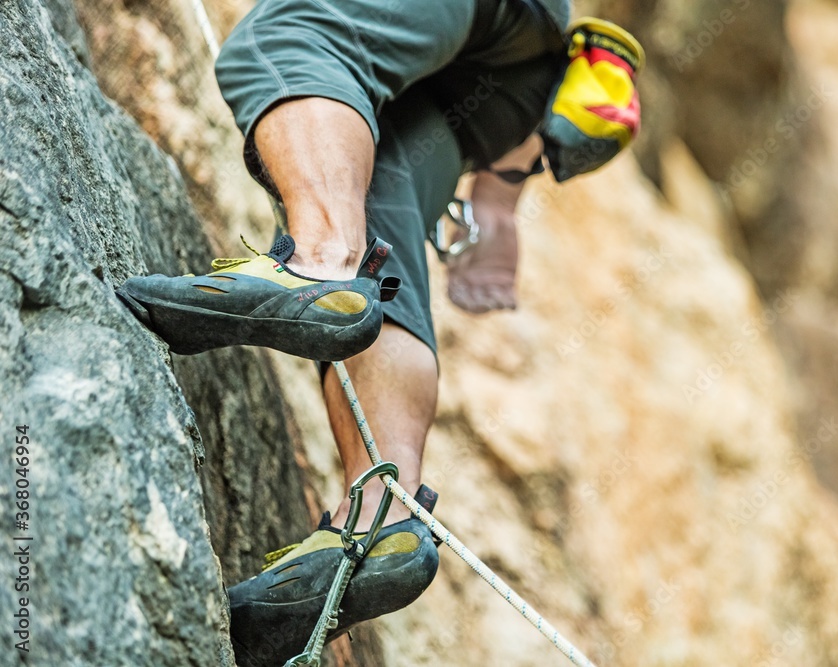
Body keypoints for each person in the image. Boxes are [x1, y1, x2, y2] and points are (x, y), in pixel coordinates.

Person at [117, 0, 641, 663]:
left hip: (474, 31)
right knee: (378, 190)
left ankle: (320, 262)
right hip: (508, 70)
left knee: (290, 39)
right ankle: (377, 520)